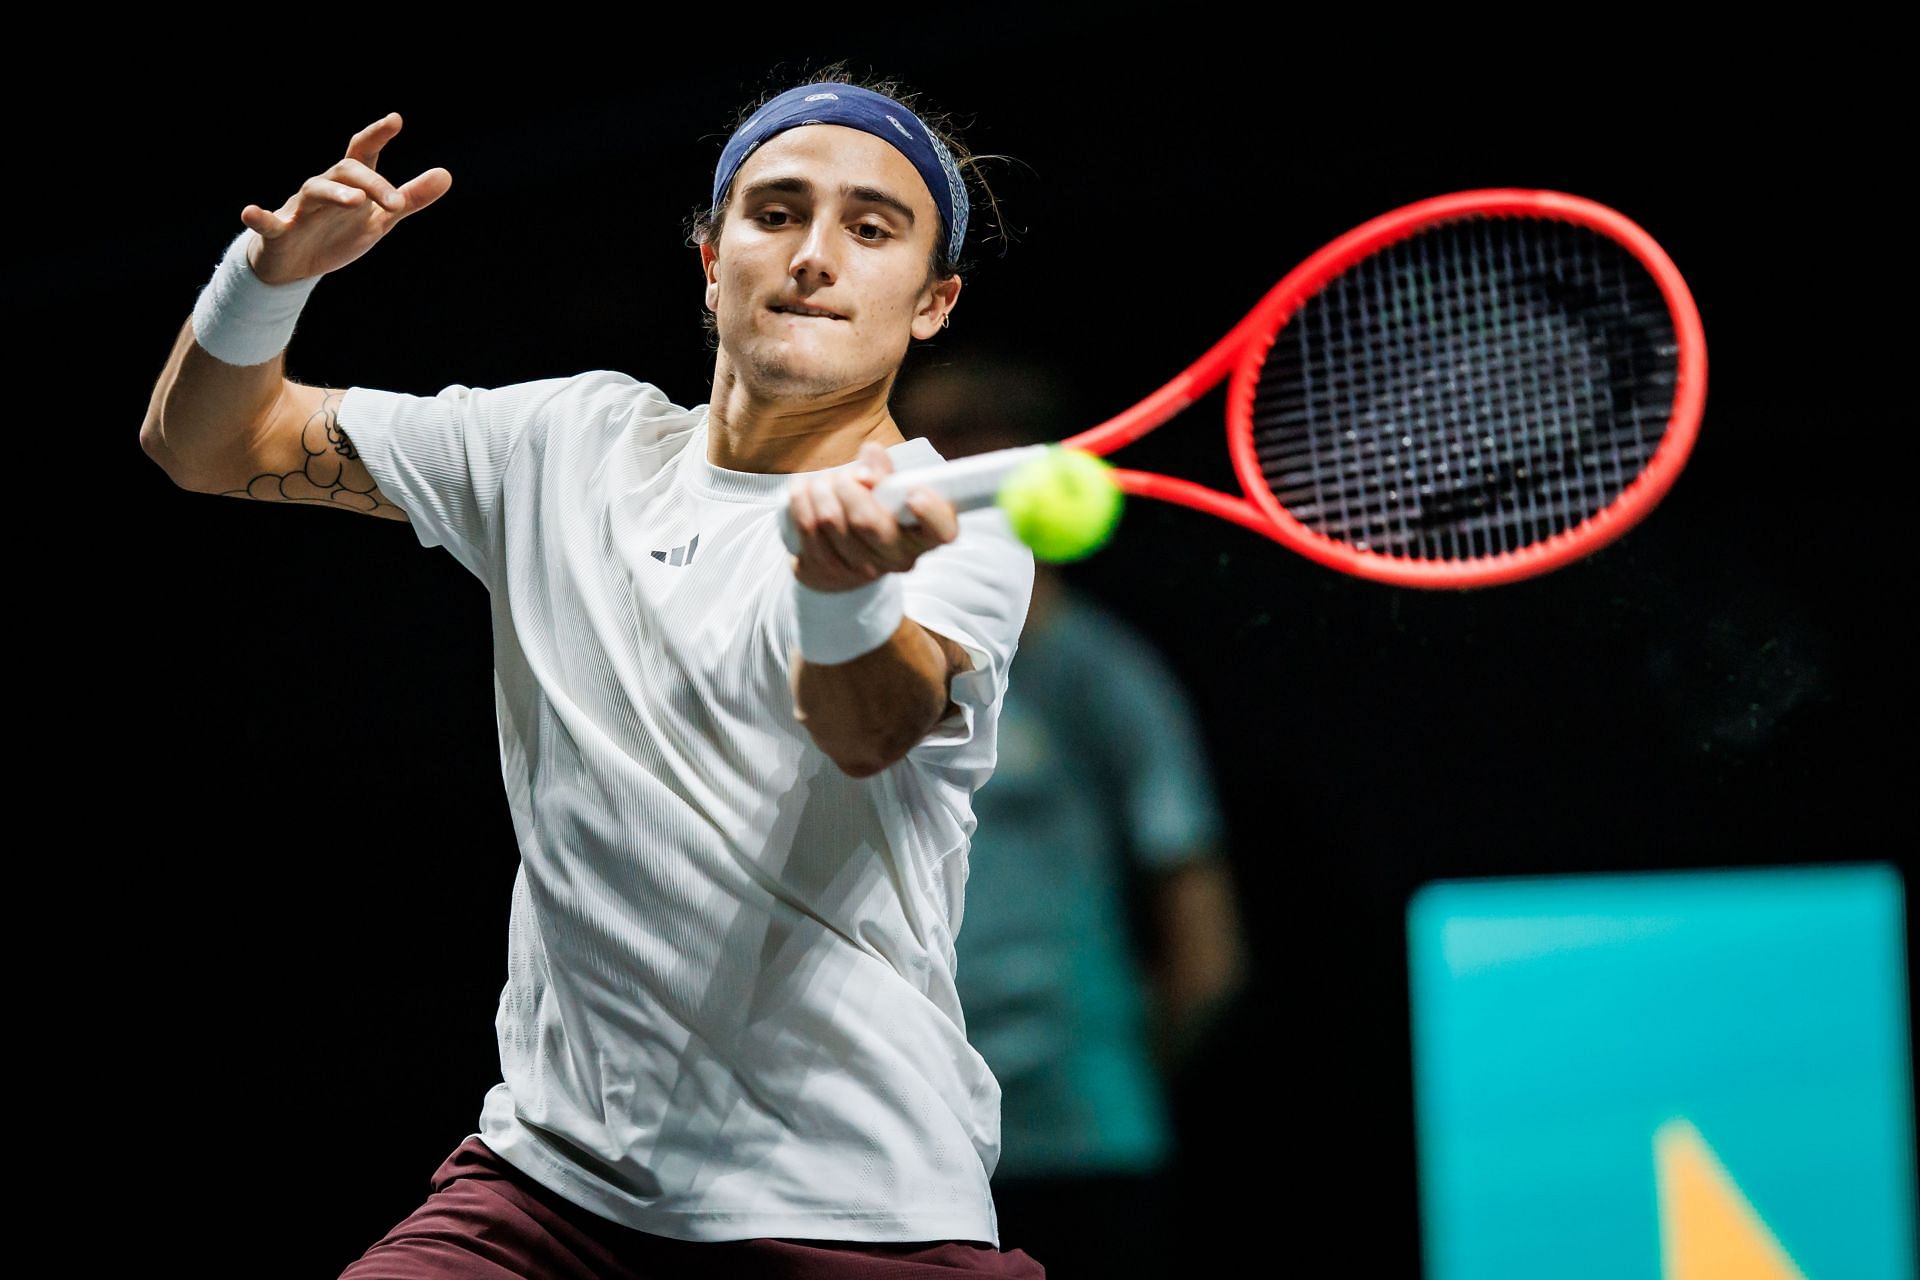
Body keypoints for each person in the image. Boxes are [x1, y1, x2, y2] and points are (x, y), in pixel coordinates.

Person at [140, 64, 1049, 1279]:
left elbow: (869, 726)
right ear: (711, 258)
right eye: (775, 212)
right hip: (550, 1190)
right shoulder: (567, 444)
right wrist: (269, 279)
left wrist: (843, 591)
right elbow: (202, 444)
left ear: (931, 302)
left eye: (871, 228)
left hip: (849, 1208)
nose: (815, 253)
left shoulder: (955, 515)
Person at [899, 360, 1251, 1278]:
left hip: (1084, 1150)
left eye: (966, 446)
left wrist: (1109, 1082)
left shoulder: (1108, 679)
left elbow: (1204, 944)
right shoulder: (865, 666)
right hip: (902, 1156)